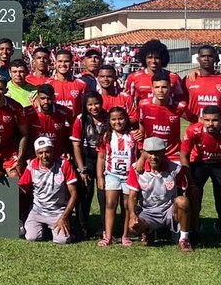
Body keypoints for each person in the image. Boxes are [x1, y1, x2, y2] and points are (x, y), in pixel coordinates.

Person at [180, 105, 221, 248]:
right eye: (207, 120)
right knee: (193, 194)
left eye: (215, 120)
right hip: (199, 163)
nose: (211, 124)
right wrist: (191, 183)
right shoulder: (194, 130)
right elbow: (184, 155)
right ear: (202, 119)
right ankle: (195, 230)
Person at [124, 138, 193, 253]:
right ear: (145, 153)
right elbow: (132, 196)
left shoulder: (176, 169)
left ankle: (184, 239)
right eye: (150, 153)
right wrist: (132, 215)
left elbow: (181, 192)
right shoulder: (135, 169)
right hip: (148, 212)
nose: (153, 157)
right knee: (132, 227)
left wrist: (180, 212)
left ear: (163, 152)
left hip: (169, 210)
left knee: (182, 201)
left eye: (157, 153)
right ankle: (148, 231)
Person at [18, 137, 78, 244]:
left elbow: (74, 194)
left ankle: (61, 226)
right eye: (40, 153)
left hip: (58, 213)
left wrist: (64, 217)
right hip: (37, 212)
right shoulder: (32, 165)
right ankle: (43, 228)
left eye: (47, 152)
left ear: (53, 151)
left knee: (62, 241)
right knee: (32, 237)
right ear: (36, 154)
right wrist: (0, 181)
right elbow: (20, 189)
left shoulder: (64, 165)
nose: (44, 156)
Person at [96, 106, 138, 246]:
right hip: (112, 174)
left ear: (126, 119)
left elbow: (140, 153)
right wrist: (100, 177)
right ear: (109, 121)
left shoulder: (133, 135)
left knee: (127, 205)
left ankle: (125, 235)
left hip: (129, 176)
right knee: (110, 204)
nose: (117, 122)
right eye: (113, 119)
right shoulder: (106, 136)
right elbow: (101, 158)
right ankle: (108, 236)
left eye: (120, 118)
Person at [71, 92, 107, 240]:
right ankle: (82, 226)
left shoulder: (108, 117)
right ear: (85, 106)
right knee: (85, 192)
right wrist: (81, 168)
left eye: (96, 103)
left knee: (103, 193)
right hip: (86, 157)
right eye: (90, 104)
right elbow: (76, 145)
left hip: (104, 157)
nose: (94, 107)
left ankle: (105, 227)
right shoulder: (81, 119)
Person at [136, 72, 186, 162]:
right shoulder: (143, 104)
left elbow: (196, 121)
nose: (160, 90)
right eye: (157, 87)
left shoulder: (179, 106)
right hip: (151, 153)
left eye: (164, 87)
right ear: (152, 89)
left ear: (170, 88)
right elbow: (141, 124)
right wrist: (142, 149)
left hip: (173, 155)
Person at [183, 45, 221, 123]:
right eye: (203, 56)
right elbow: (179, 105)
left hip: (219, 130)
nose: (206, 59)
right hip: (196, 129)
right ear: (198, 59)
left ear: (216, 58)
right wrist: (193, 119)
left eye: (210, 56)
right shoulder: (188, 79)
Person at [125, 39, 184, 105]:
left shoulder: (174, 77)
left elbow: (181, 101)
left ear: (162, 58)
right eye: (150, 57)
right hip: (142, 115)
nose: (153, 61)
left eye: (157, 58)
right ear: (144, 58)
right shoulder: (133, 78)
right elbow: (127, 101)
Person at [25, 84, 74, 157]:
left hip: (59, 156)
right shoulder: (28, 113)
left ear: (54, 98)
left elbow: (71, 135)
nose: (46, 102)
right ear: (37, 98)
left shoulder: (65, 113)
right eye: (42, 98)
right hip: (35, 156)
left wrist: (67, 150)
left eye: (49, 98)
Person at [47, 49, 86, 114]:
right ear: (55, 63)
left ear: (72, 63)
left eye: (66, 61)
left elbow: (85, 108)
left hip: (75, 123)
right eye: (60, 61)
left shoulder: (81, 85)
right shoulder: (48, 84)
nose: (63, 64)